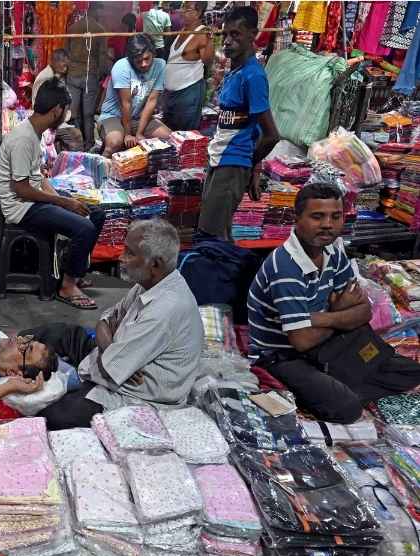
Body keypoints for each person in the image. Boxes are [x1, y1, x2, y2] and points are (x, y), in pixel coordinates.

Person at [248, 183, 420, 424]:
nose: (328, 224)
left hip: (324, 342)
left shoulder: (333, 251)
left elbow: (364, 311)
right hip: (282, 355)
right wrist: (339, 312)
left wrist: (322, 317)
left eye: (335, 216)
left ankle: (344, 382)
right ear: (297, 218)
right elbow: (301, 340)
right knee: (347, 408)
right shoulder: (286, 267)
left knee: (411, 372)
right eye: (317, 216)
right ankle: (344, 385)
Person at [38, 218, 203, 430]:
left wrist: (110, 347)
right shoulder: (149, 284)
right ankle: (6, 351)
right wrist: (110, 346)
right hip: (113, 362)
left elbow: (109, 368)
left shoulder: (164, 309)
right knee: (58, 332)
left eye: (130, 253)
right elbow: (105, 319)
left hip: (134, 395)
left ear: (155, 264)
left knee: (53, 416)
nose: (121, 257)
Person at [0, 78, 105, 310]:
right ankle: (67, 286)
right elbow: (21, 188)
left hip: (32, 198)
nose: (65, 116)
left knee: (96, 214)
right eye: (65, 111)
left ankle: (72, 272)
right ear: (57, 110)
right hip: (21, 207)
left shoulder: (34, 132)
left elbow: (38, 177)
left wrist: (61, 200)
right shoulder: (23, 139)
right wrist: (62, 202)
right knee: (84, 228)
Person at [198, 6, 280, 241]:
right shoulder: (235, 71)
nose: (227, 41)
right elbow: (251, 125)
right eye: (225, 34)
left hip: (233, 163)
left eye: (235, 34)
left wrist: (248, 164)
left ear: (252, 34)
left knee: (214, 235)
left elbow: (271, 135)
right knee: (214, 229)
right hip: (221, 158)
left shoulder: (253, 76)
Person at [99, 34, 172, 158]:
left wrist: (139, 133)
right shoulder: (121, 67)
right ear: (131, 59)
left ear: (153, 54)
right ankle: (101, 164)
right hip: (113, 116)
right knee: (114, 143)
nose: (144, 64)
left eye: (147, 58)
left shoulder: (160, 65)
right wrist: (128, 134)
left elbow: (152, 101)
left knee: (168, 137)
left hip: (137, 118)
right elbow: (126, 103)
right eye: (138, 61)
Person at [66, 5, 112, 150]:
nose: (101, 14)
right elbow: (102, 56)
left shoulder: (73, 28)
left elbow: (66, 52)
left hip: (73, 74)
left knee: (74, 112)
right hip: (89, 75)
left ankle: (77, 143)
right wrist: (101, 74)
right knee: (88, 113)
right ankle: (89, 143)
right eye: (100, 10)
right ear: (94, 10)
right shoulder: (100, 30)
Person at [163, 1, 212, 131]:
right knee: (169, 135)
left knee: (185, 136)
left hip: (188, 93)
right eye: (183, 8)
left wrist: (209, 40)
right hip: (171, 95)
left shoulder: (202, 34)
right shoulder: (183, 30)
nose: (182, 12)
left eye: (187, 9)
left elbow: (208, 62)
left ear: (198, 13)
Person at [31, 49, 84, 153]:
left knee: (75, 124)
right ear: (54, 62)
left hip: (54, 116)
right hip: (46, 119)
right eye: (63, 65)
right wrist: (65, 116)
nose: (66, 68)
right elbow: (43, 106)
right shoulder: (46, 78)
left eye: (66, 66)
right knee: (76, 135)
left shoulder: (55, 76)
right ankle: (73, 161)